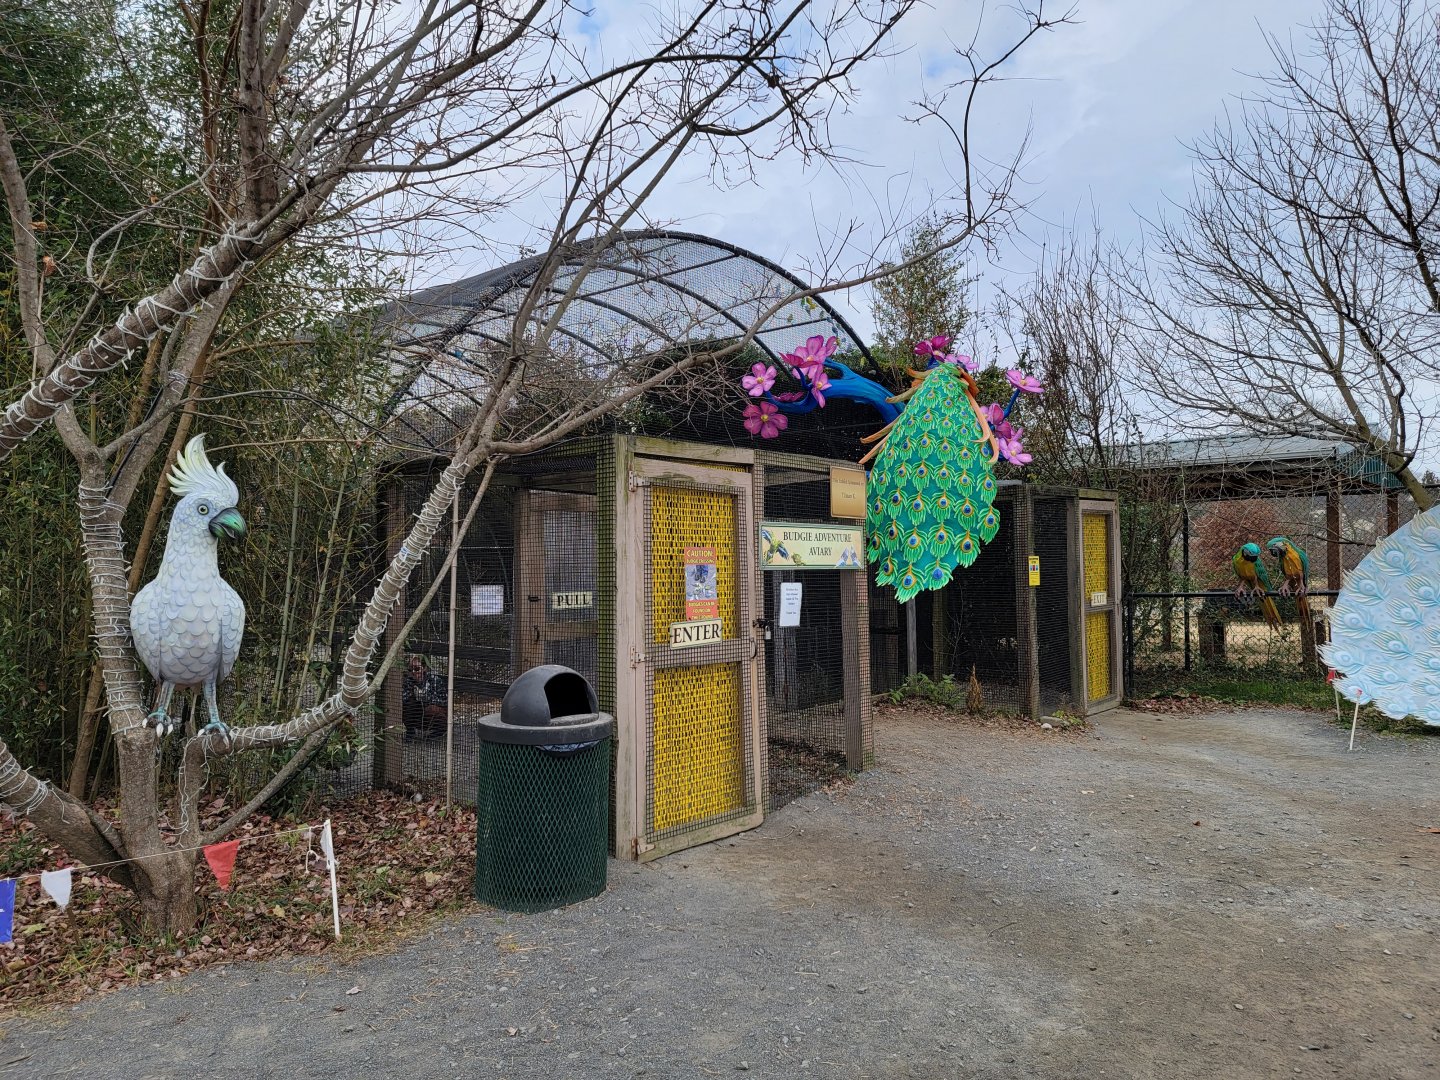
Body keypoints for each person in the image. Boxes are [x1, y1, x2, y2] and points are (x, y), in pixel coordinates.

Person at [402, 655, 447, 739]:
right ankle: (410, 731)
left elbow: (445, 701)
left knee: (433, 709)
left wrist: (426, 698)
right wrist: (413, 696)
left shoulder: (435, 680)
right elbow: (402, 699)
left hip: (430, 713)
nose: (413, 672)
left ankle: (439, 732)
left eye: (416, 669)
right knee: (406, 705)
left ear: (424, 668)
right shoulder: (408, 681)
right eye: (410, 670)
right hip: (417, 713)